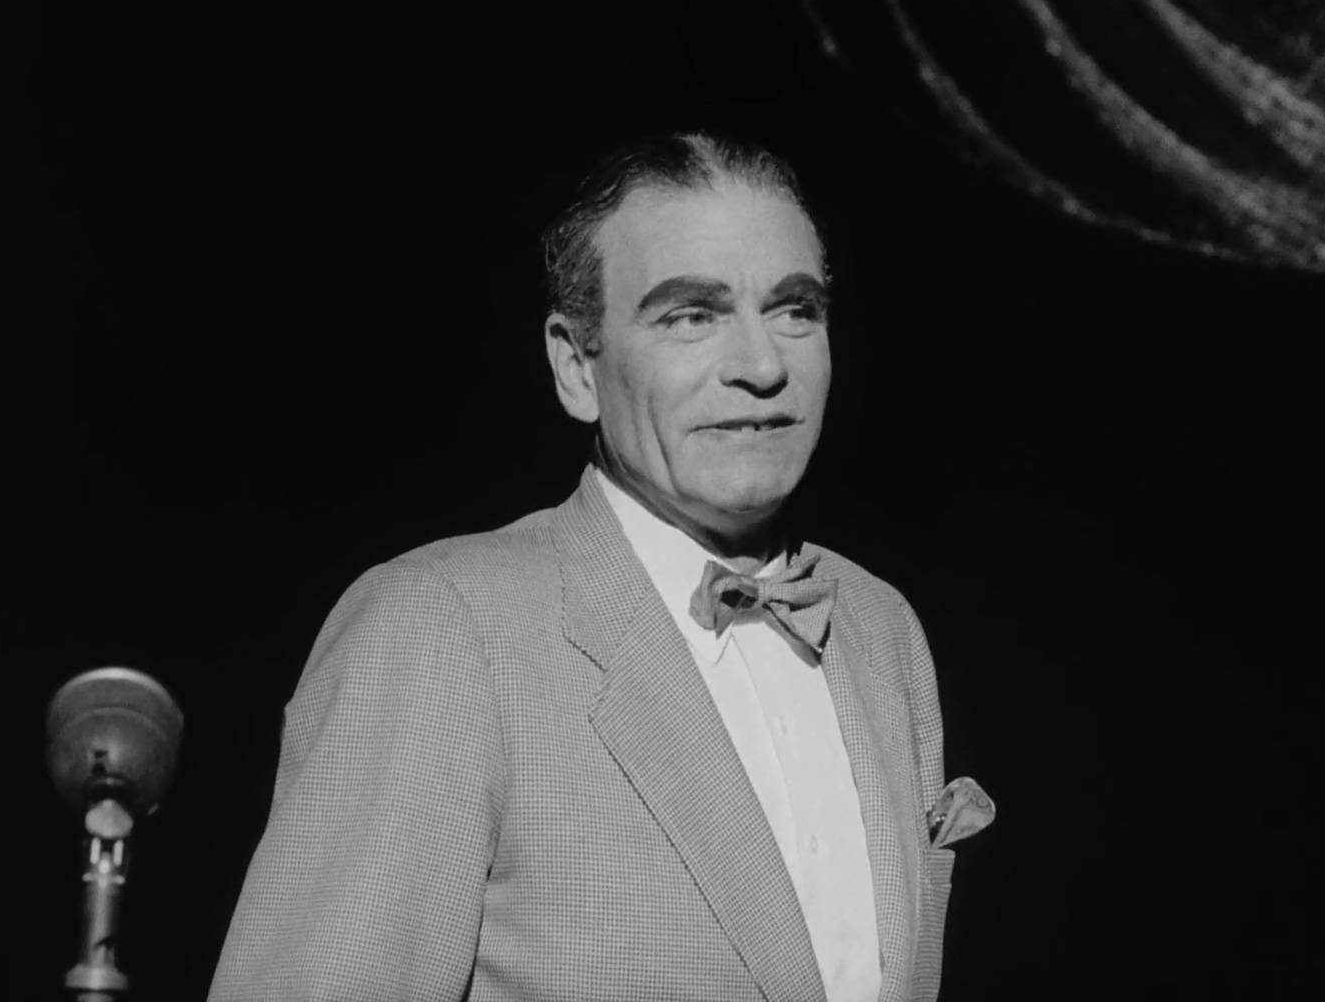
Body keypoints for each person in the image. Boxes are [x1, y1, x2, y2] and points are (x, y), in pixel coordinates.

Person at [211, 133, 990, 1001]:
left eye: (793, 309)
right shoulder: (442, 626)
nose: (762, 366)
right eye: (691, 315)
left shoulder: (880, 631)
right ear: (576, 368)